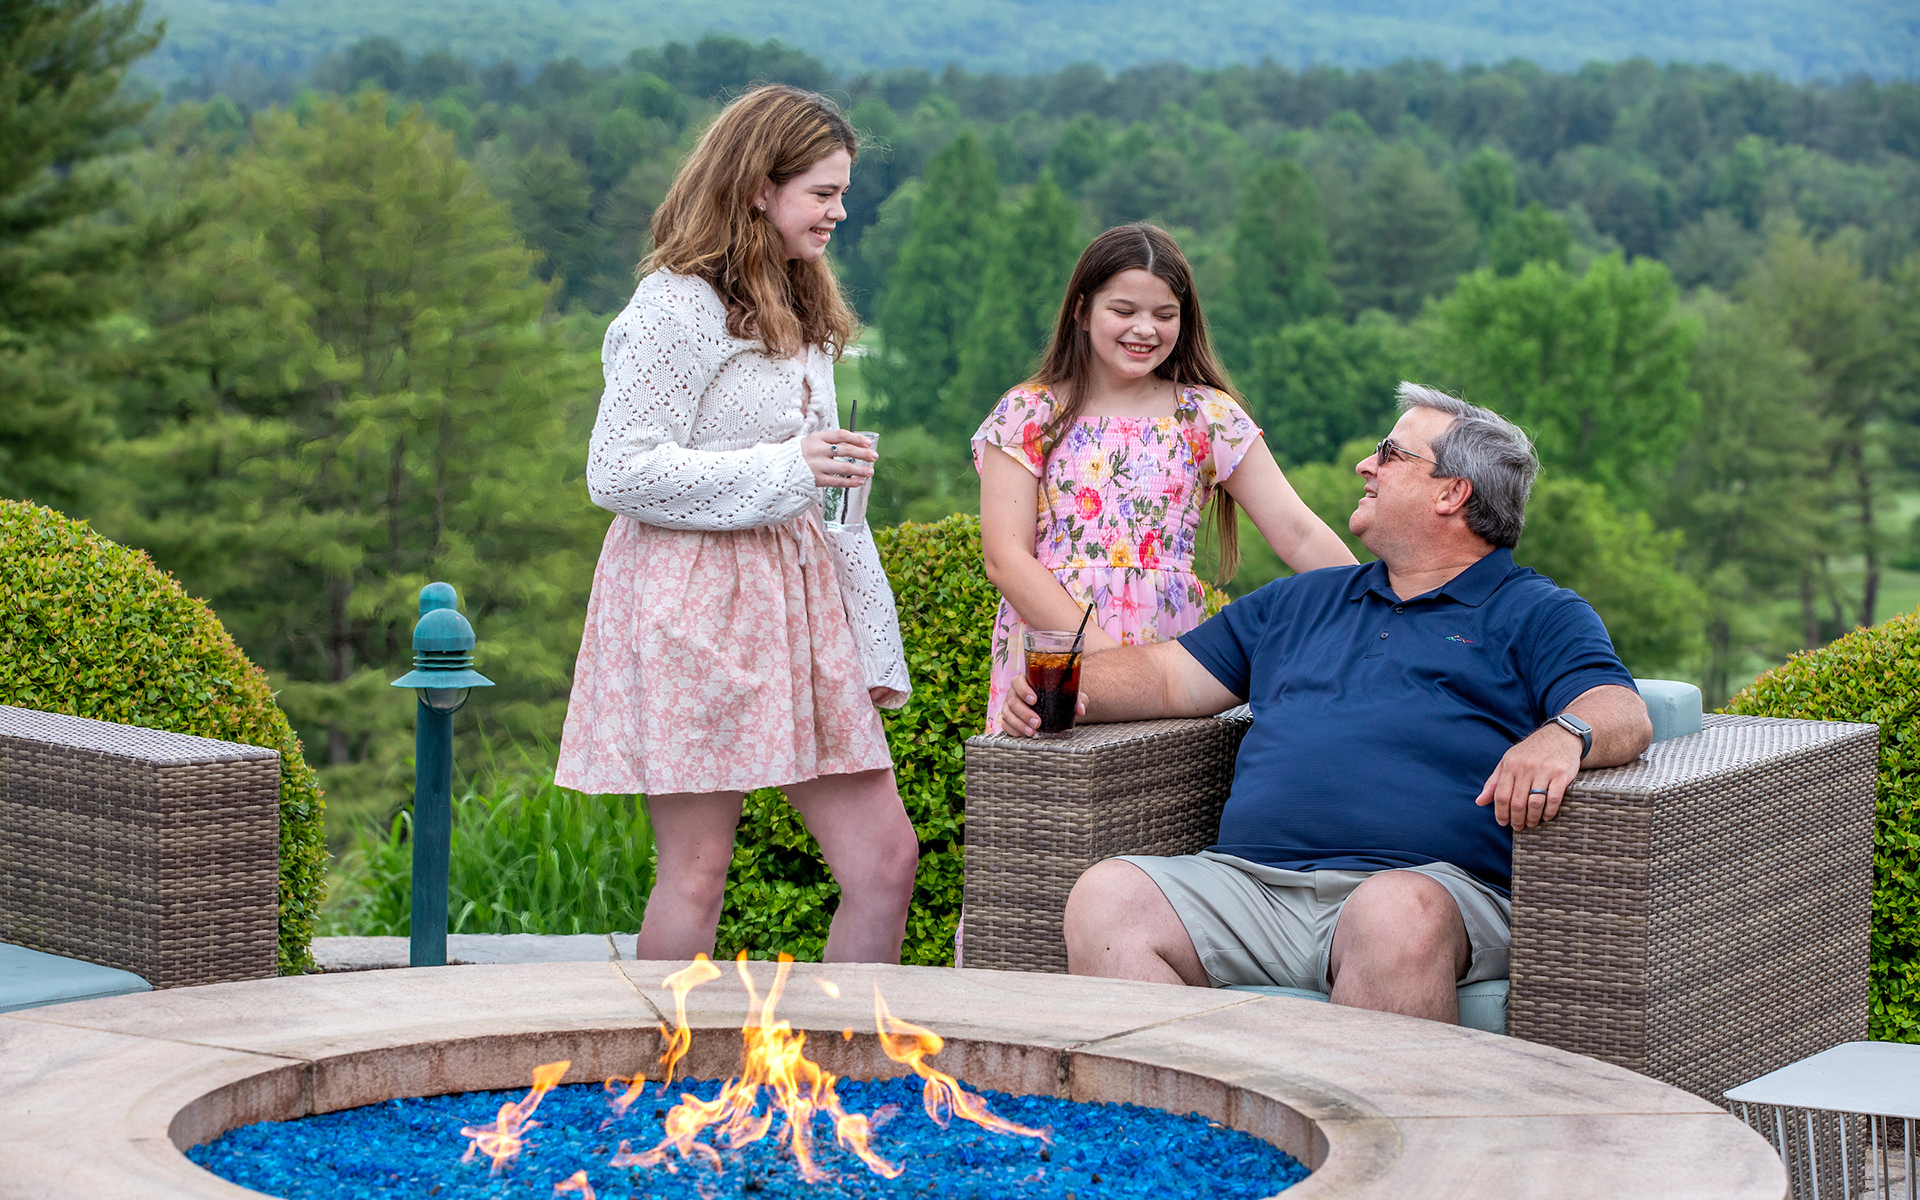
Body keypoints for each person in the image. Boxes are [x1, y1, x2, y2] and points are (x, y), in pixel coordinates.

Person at [1001, 385, 1652, 1024]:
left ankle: (1370, 1104)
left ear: (1452, 494)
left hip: (1426, 890)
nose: (1366, 465)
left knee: (1391, 914)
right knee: (1109, 898)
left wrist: (1564, 735)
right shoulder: (1302, 600)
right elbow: (1169, 675)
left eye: (1390, 454)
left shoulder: (1537, 612)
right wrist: (1060, 686)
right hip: (1250, 886)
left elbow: (1620, 708)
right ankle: (1199, 1097)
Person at [555, 86, 919, 965]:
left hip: (797, 600)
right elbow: (617, 471)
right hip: (692, 605)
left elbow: (815, 492)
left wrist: (871, 635)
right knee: (696, 873)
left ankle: (849, 1050)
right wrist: (790, 467)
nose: (839, 212)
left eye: (841, 192)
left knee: (884, 862)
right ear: (759, 186)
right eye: (823, 193)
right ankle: (659, 1055)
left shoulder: (802, 302)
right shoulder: (672, 308)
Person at [973, 223, 1355, 735]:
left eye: (1164, 315)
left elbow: (1297, 531)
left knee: (1165, 785)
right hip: (1056, 648)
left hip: (1172, 650)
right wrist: (1111, 664)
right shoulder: (1029, 411)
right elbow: (1006, 559)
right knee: (1050, 783)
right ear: (1081, 310)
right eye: (1123, 311)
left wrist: (1379, 611)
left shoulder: (1207, 415)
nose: (1145, 329)